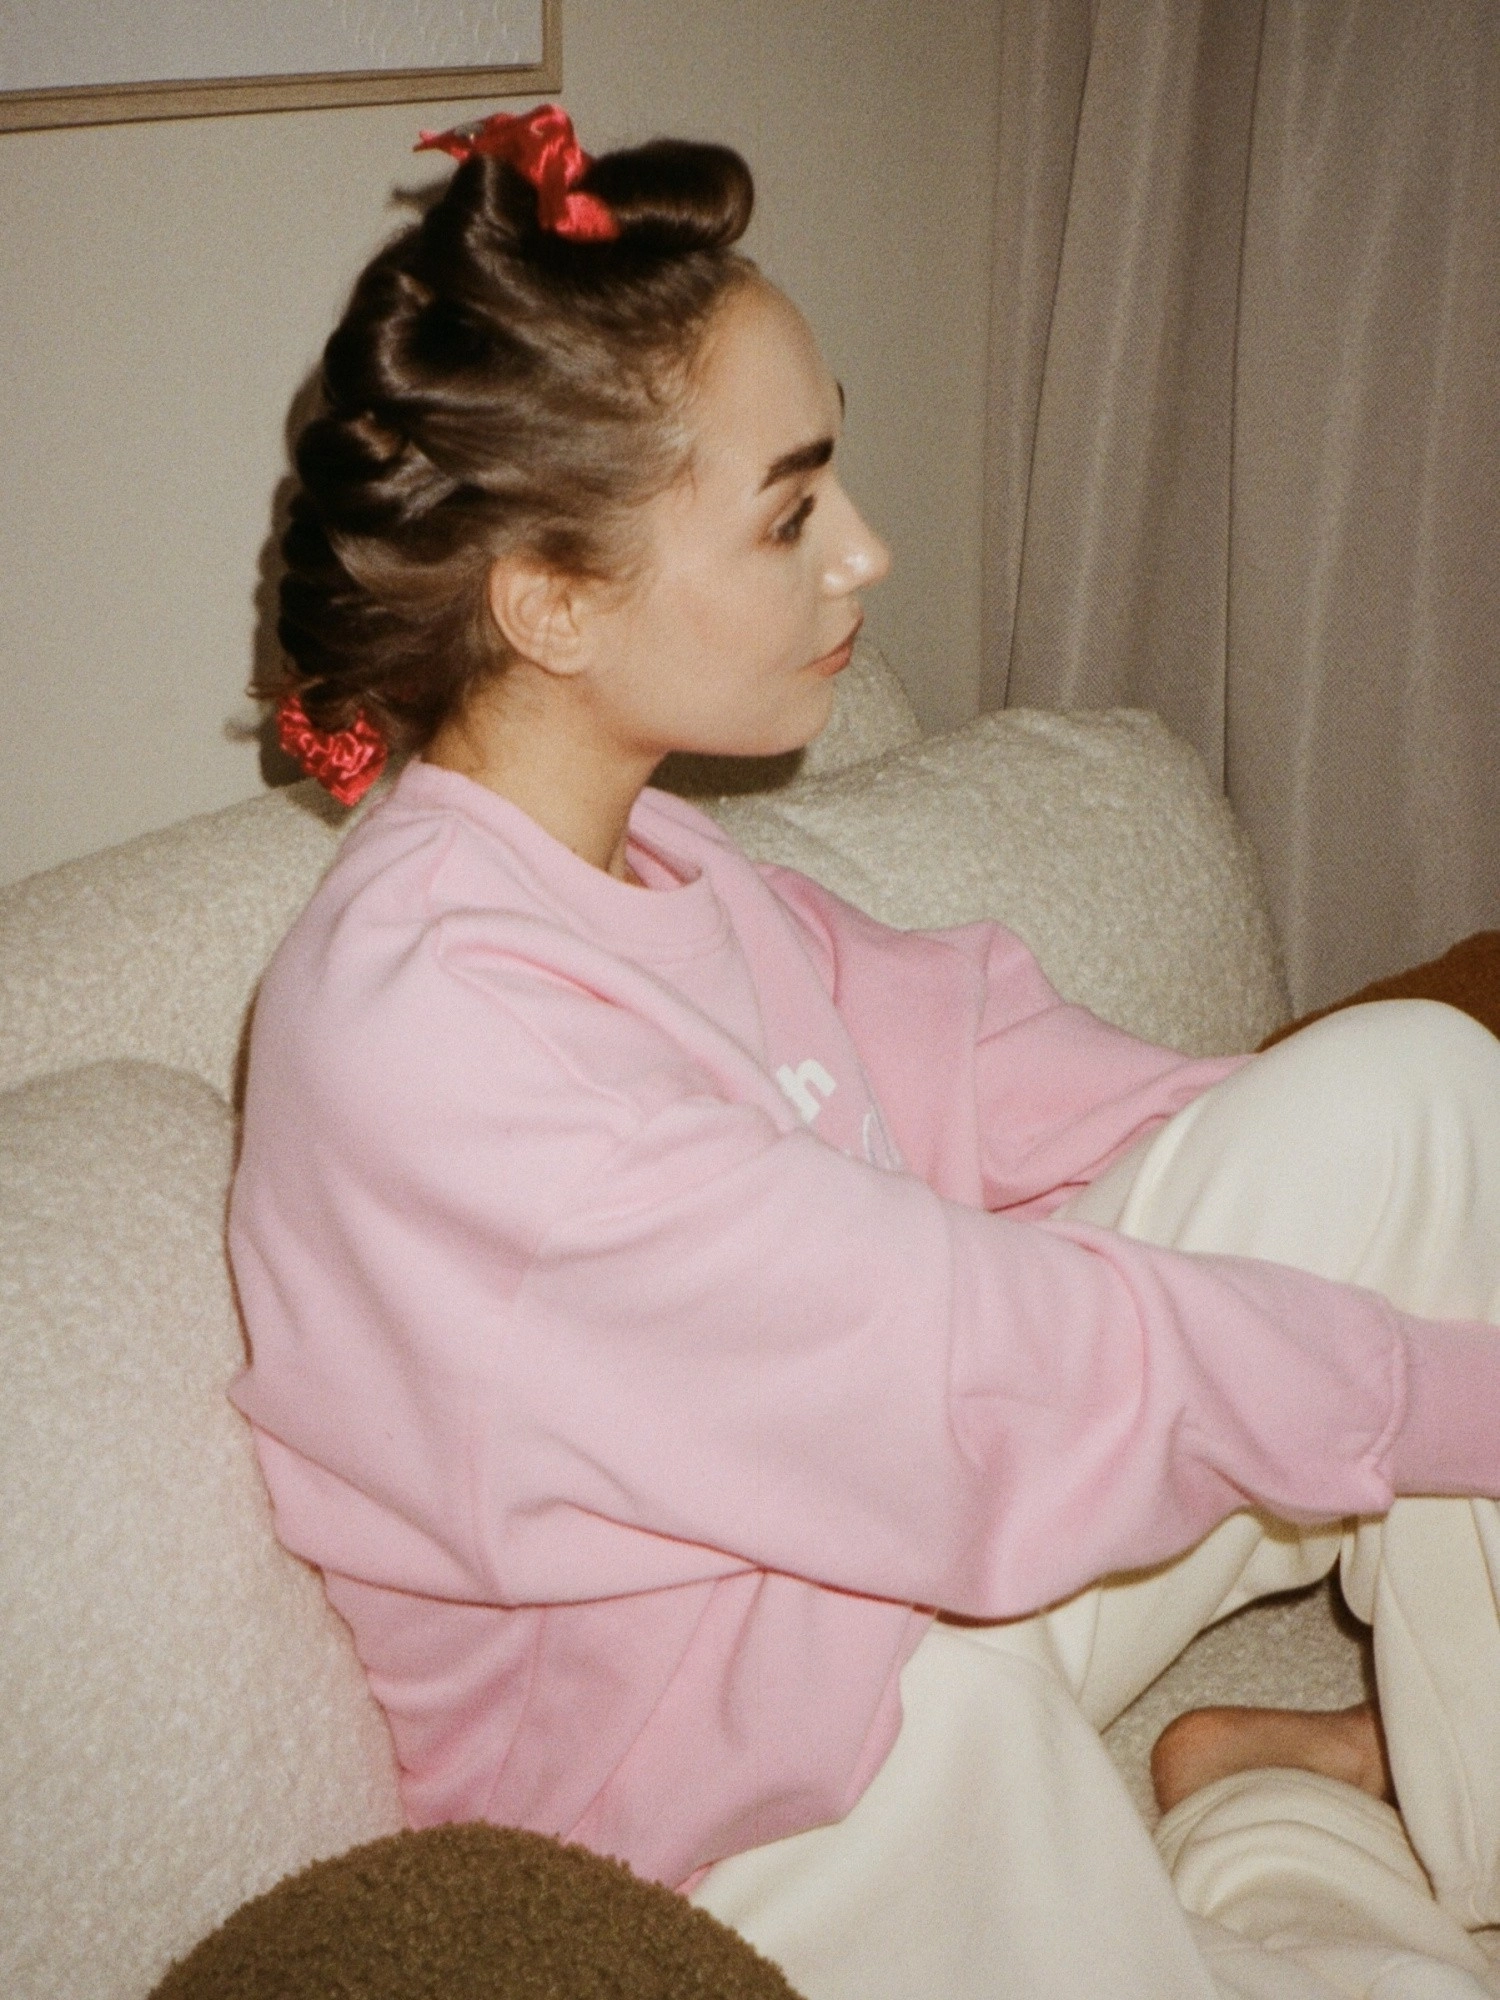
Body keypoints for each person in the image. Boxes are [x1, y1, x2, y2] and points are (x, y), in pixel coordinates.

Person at [229, 105, 1500, 1999]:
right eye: (790, 511)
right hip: (755, 1812)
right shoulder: (436, 1042)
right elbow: (970, 1370)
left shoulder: (648, 856)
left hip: (881, 1576)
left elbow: (976, 1056)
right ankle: (1279, 1825)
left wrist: (1341, 1227)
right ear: (549, 602)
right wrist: (1434, 1394)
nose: (868, 551)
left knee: (1419, 1097)